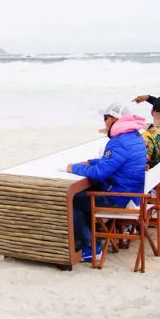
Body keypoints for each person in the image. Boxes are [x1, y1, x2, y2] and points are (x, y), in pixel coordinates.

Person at [66, 102, 147, 261]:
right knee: (83, 196)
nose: (104, 122)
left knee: (72, 200)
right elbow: (113, 162)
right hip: (133, 195)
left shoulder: (118, 142)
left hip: (119, 198)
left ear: (114, 119)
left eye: (105, 118)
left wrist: (73, 168)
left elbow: (100, 173)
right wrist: (91, 162)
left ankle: (90, 248)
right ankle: (93, 236)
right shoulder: (135, 137)